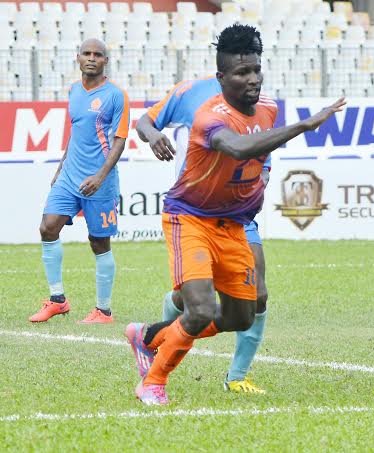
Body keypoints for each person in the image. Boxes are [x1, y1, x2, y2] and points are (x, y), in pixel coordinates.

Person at [124, 24, 346, 405]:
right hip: (191, 217)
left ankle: (150, 336)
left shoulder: (269, 108)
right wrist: (305, 125)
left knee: (243, 315)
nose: (253, 78)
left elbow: (257, 152)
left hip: (238, 222)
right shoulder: (207, 113)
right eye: (243, 73)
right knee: (202, 309)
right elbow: (239, 148)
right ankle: (154, 380)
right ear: (221, 76)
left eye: (256, 70)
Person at [136, 72, 273, 394]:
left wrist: (260, 178)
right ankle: (154, 338)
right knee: (194, 303)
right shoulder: (190, 91)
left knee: (259, 296)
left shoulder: (258, 99)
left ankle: (237, 376)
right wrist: (154, 136)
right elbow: (144, 122)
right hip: (196, 212)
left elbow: (261, 149)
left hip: (238, 215)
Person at [30, 39, 129, 324]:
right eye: (87, 53)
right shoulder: (74, 90)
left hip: (100, 181)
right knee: (48, 228)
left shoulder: (116, 95)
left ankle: (104, 311)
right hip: (69, 177)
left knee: (99, 242)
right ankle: (58, 300)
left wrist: (100, 176)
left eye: (98, 55)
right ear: (77, 57)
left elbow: (120, 140)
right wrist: (61, 167)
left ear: (105, 61)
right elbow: (77, 133)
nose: (91, 58)